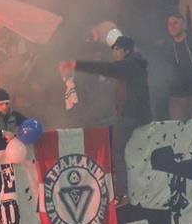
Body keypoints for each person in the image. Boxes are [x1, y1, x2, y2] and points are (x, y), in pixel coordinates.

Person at [61, 35, 151, 201]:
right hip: (133, 115)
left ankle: (122, 193)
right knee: (101, 126)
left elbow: (105, 68)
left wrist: (77, 65)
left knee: (116, 150)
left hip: (131, 116)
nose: (114, 53)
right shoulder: (135, 64)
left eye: (117, 49)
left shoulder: (128, 65)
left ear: (126, 51)